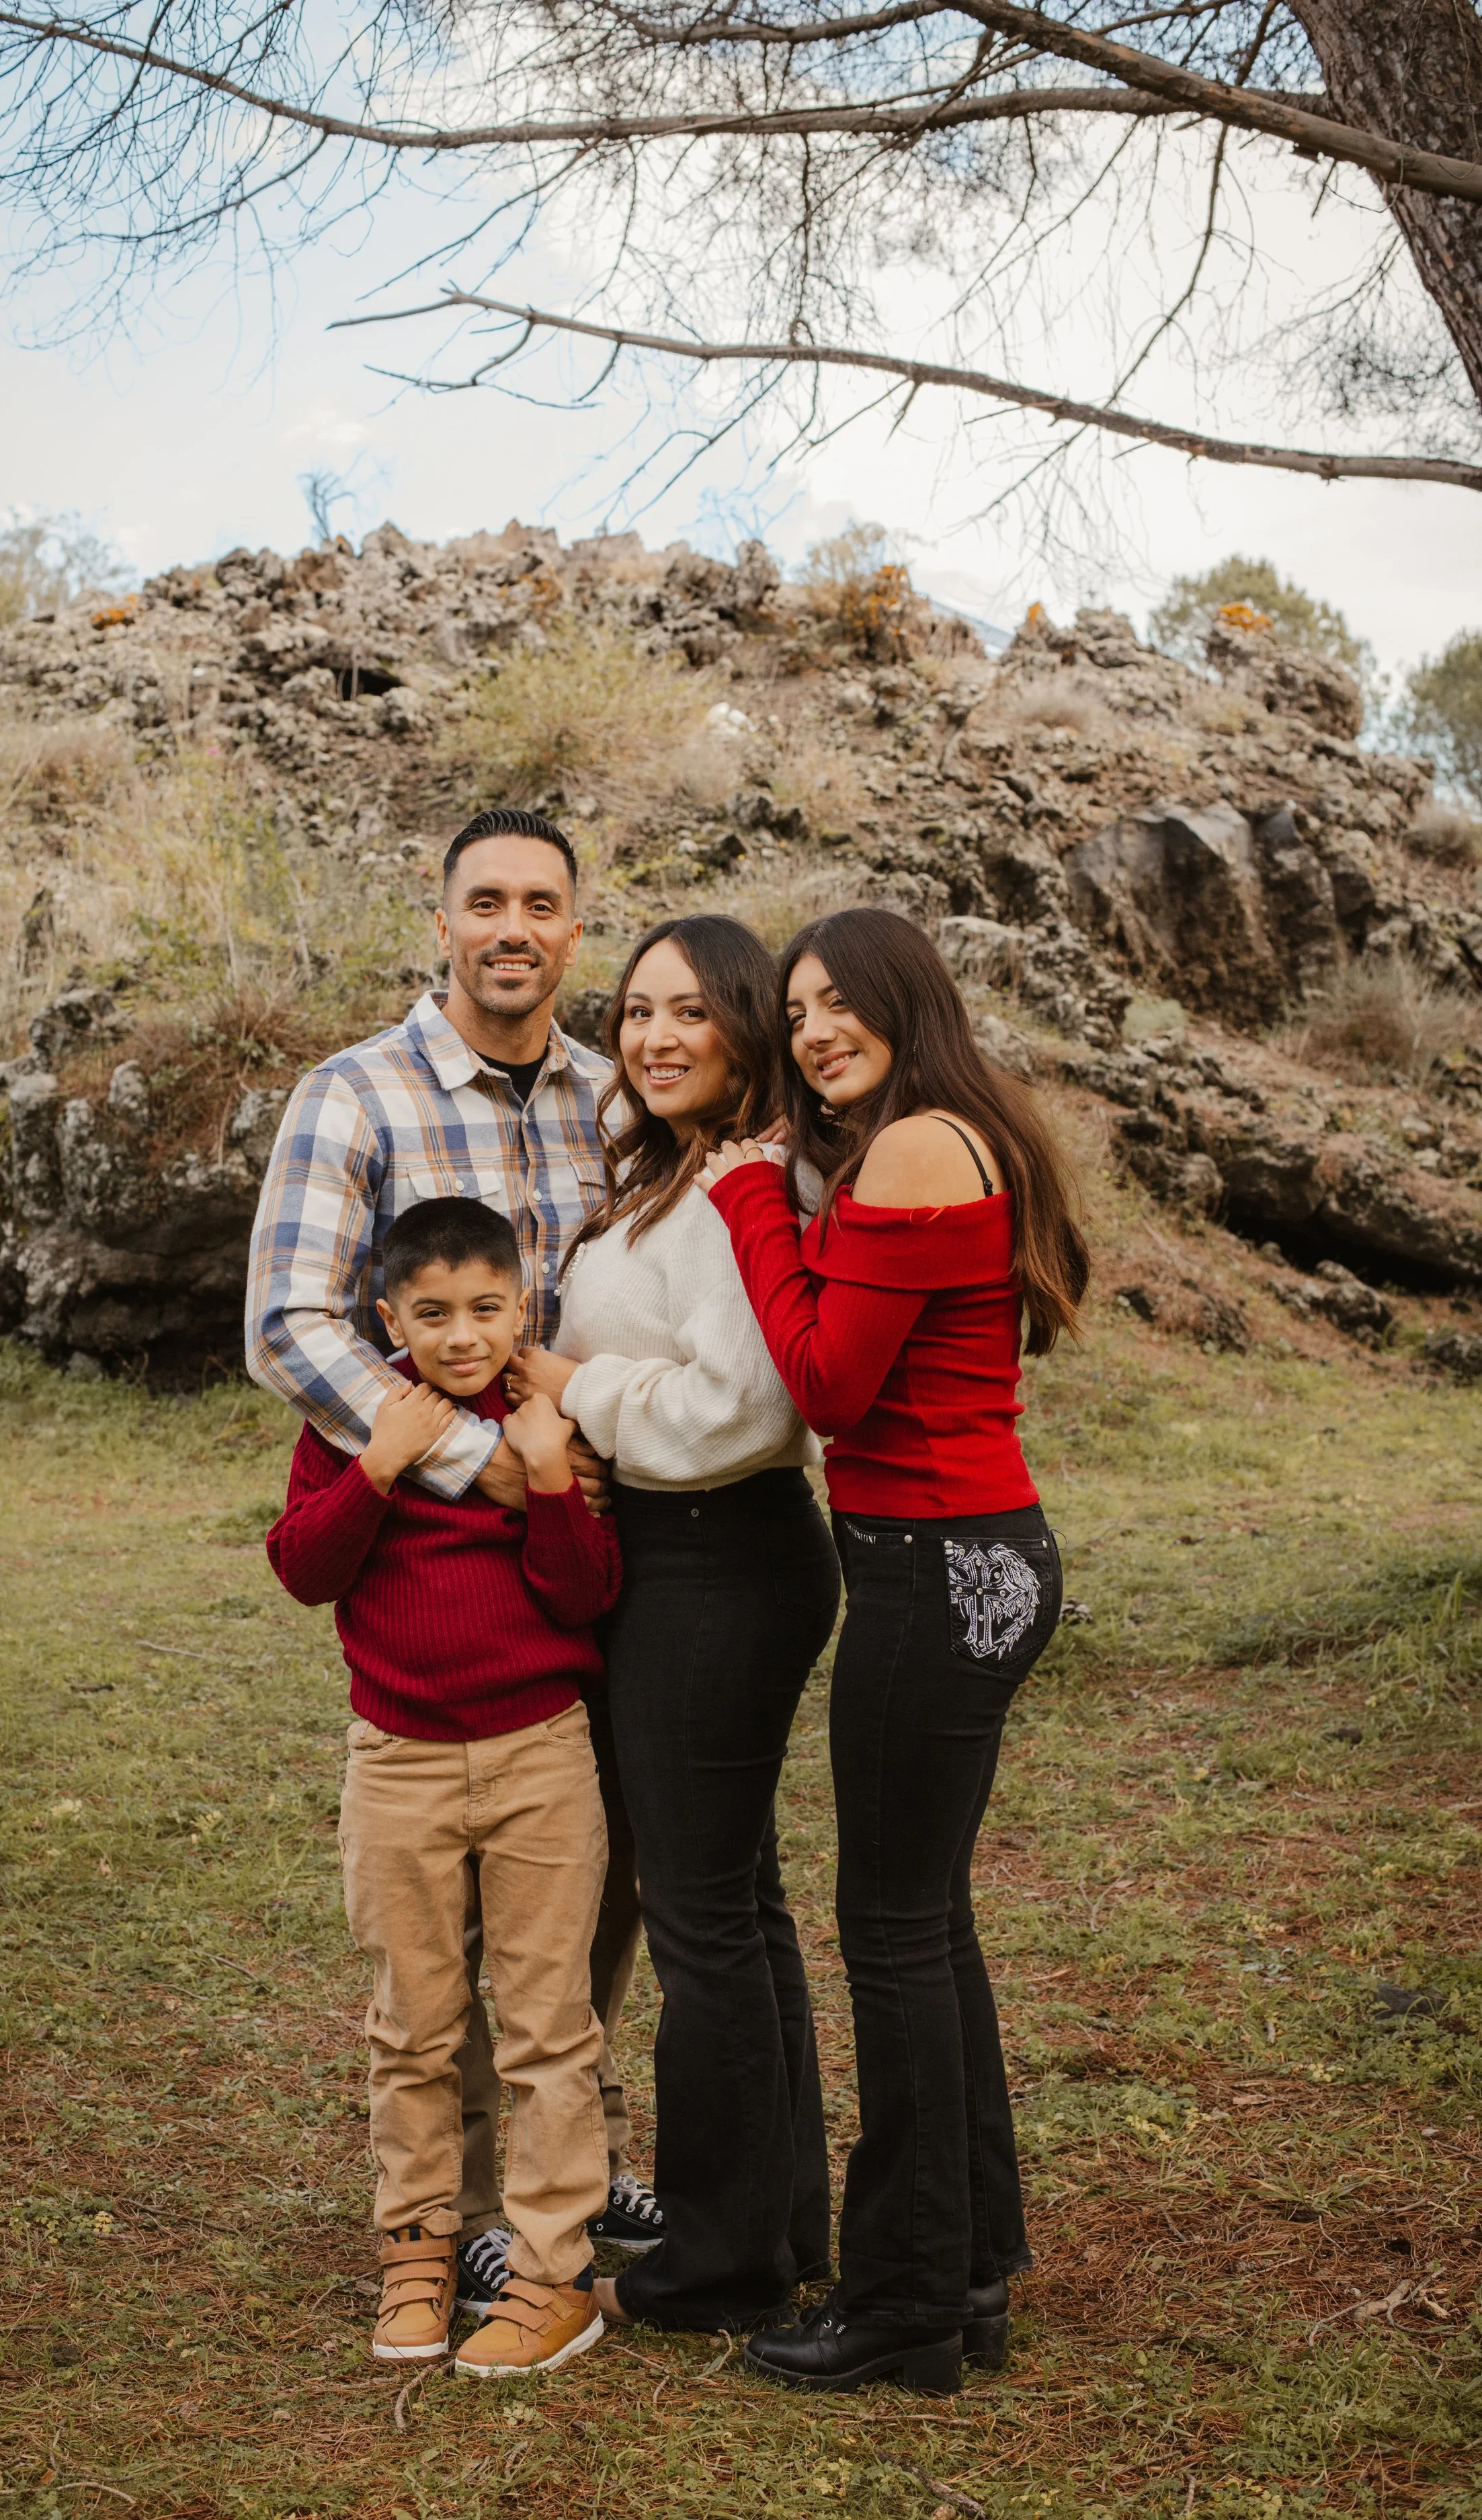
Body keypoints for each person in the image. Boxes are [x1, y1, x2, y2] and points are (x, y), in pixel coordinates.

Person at [244, 806, 661, 2303]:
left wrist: (594, 1469)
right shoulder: (351, 1096)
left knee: (586, 1882)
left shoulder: (613, 1099)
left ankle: (570, 2167)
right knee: (436, 1942)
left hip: (606, 1541)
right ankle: (462, 2204)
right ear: (440, 921)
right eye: (482, 899)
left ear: (571, 924)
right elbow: (289, 1324)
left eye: (540, 903)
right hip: (478, 1537)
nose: (510, 926)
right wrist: (495, 1470)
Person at [698, 905, 1089, 2397]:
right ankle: (969, 2266)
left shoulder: (918, 1147)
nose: (810, 1030)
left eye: (836, 1002)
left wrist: (745, 1205)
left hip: (935, 1569)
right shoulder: (945, 1138)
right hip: (969, 1558)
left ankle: (906, 2305)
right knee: (926, 1926)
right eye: (793, 1010)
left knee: (891, 1934)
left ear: (903, 1003)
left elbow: (828, 1387)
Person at [509, 915, 841, 2333]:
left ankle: (714, 2262)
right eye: (634, 1010)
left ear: (747, 1029)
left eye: (688, 1012)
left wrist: (567, 1387)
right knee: (735, 1906)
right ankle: (773, 2222)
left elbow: (741, 1410)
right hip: (686, 1556)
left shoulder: (740, 1192)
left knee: (701, 1920)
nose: (651, 1037)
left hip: (713, 1556)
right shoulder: (678, 1176)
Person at [265, 1198, 622, 2378]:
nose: (461, 1335)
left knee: (547, 2026)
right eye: (432, 1313)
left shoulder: (540, 1421)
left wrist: (554, 1479)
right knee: (413, 2022)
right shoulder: (355, 1419)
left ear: (525, 1307)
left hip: (539, 1755)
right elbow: (306, 1570)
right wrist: (378, 1462)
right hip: (399, 1760)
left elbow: (585, 1595)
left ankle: (550, 2267)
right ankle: (418, 2245)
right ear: (387, 1319)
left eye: (485, 1309)